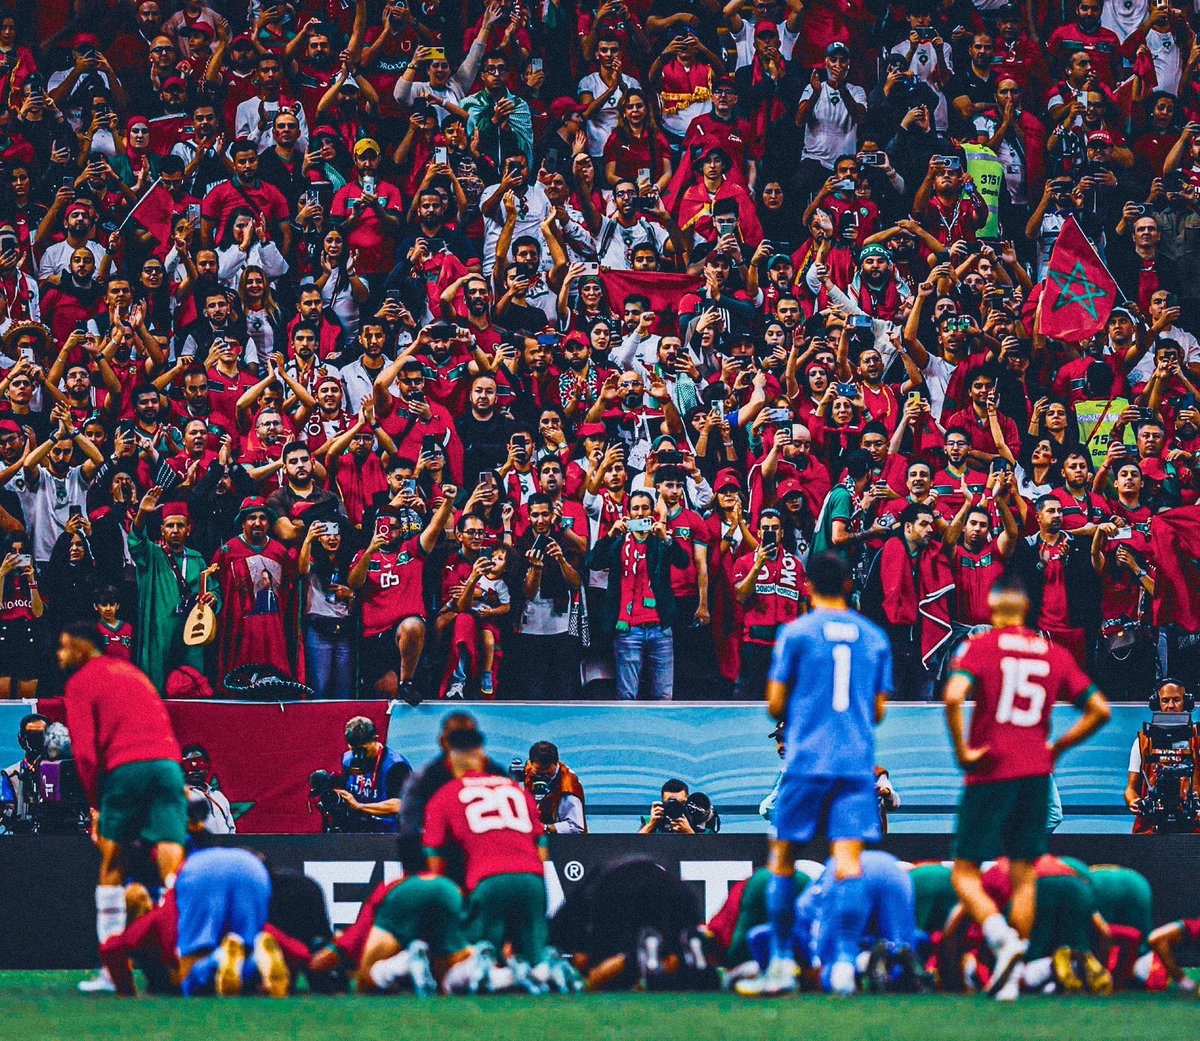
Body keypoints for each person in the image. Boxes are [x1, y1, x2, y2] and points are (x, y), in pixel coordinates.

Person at [943, 572, 1112, 1001]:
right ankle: (1012, 977)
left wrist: (964, 751)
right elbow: (1099, 709)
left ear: (992, 605)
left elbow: (953, 695)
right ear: (1026, 607)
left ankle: (1001, 938)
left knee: (964, 873)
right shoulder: (1053, 652)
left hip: (990, 771)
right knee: (1024, 875)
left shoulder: (982, 646)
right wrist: (1058, 747)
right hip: (1036, 772)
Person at [736, 551, 892, 997]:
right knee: (848, 862)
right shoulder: (874, 637)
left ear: (806, 586)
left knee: (783, 858)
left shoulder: (796, 633)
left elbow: (774, 705)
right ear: (848, 586)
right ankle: (843, 964)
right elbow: (878, 711)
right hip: (855, 764)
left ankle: (783, 962)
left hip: (807, 761)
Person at [57, 622, 188, 995]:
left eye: (65, 647)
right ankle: (183, 953)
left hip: (125, 767)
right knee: (171, 858)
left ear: (82, 648)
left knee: (112, 863)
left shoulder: (80, 681)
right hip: (168, 764)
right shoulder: (133, 672)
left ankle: (111, 969)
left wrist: (96, 805)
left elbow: (85, 753)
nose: (60, 655)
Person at [422, 726, 559, 992]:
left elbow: (436, 869)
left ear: (449, 763)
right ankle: (547, 970)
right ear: (483, 758)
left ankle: (497, 975)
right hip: (532, 881)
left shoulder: (445, 795)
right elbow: (541, 848)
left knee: (481, 959)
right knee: (534, 958)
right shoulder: (516, 790)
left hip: (488, 882)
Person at [1123, 677, 1199, 833]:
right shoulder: (1142, 741)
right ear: (1157, 703)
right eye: (1165, 700)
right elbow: (1130, 789)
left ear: (1186, 702)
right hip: (1152, 825)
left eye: (1176, 700)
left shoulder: (1197, 740)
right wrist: (1133, 801)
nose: (1170, 705)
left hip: (1193, 826)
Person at [334, 716, 411, 834]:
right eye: (354, 750)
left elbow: (400, 804)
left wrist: (359, 807)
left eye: (362, 750)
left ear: (375, 739)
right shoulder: (347, 760)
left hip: (386, 833)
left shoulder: (396, 765)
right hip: (356, 831)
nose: (358, 755)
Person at [519, 741, 587, 834]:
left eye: (547, 773)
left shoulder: (568, 787)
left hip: (561, 840)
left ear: (556, 764)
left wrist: (545, 828)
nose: (542, 777)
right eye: (538, 773)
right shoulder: (529, 769)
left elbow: (576, 827)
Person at [181, 743, 235, 836]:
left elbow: (231, 828)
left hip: (225, 844)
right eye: (189, 765)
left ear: (208, 766)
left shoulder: (218, 795)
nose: (196, 770)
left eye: (201, 764)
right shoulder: (181, 796)